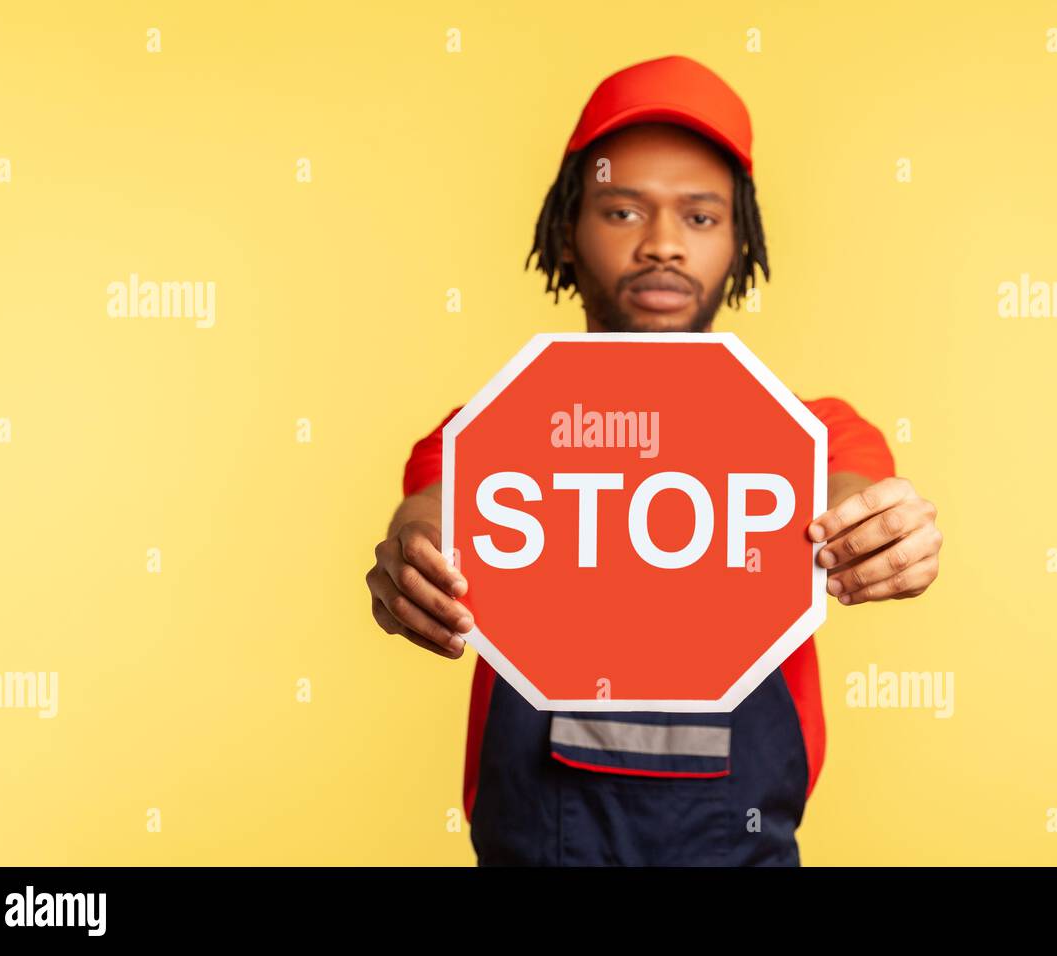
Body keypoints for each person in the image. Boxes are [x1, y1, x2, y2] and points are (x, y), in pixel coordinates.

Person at [366, 55, 943, 865]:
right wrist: (412, 558)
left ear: (742, 245)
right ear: (567, 233)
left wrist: (889, 530)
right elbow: (433, 508)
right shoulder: (485, 434)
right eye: (623, 210)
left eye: (701, 218)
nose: (663, 245)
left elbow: (856, 490)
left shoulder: (811, 434)